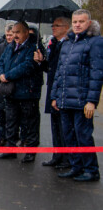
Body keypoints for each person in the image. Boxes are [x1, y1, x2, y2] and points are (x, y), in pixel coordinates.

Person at [52, 9, 102, 182]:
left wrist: (91, 101)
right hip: (65, 99)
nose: (78, 25)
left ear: (89, 23)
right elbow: (60, 72)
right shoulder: (67, 43)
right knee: (69, 136)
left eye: (81, 21)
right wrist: (55, 95)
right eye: (75, 22)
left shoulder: (95, 42)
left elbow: (97, 73)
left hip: (82, 101)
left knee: (84, 136)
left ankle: (91, 170)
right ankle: (76, 166)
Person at [0, 21, 43, 163]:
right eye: (13, 32)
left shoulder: (34, 47)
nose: (15, 35)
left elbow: (28, 66)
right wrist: (0, 74)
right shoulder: (10, 47)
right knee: (11, 121)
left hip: (28, 92)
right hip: (12, 92)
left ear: (26, 32)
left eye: (18, 32)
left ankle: (30, 151)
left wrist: (8, 75)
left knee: (30, 122)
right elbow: (0, 62)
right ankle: (10, 149)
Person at [34, 17, 71, 169]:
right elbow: (51, 68)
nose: (53, 28)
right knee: (55, 126)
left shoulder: (68, 45)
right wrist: (41, 62)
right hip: (53, 88)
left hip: (63, 91)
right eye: (53, 25)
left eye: (57, 25)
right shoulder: (55, 44)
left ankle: (67, 159)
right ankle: (57, 156)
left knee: (64, 128)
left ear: (66, 27)